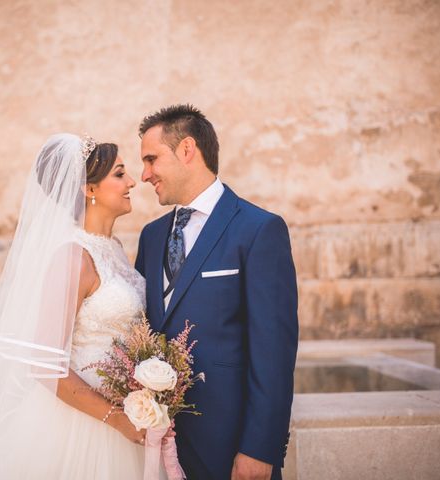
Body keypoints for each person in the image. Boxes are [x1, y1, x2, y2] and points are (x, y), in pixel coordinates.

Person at [0, 133, 154, 479]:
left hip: (126, 416)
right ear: (89, 189)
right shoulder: (72, 256)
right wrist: (116, 418)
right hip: (83, 425)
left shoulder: (111, 248)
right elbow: (45, 365)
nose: (131, 182)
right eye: (119, 173)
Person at [135, 105, 299, 480]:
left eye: (151, 159)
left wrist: (260, 449)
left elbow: (274, 352)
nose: (144, 174)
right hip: (159, 447)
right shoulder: (152, 236)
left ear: (187, 150)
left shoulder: (259, 230)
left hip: (230, 449)